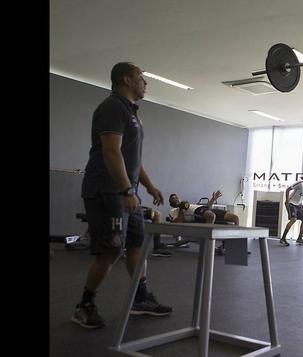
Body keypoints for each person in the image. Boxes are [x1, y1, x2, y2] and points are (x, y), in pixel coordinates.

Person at [72, 62, 172, 329]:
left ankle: (140, 299)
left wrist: (148, 187)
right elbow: (111, 152)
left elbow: (133, 158)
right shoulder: (112, 107)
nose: (145, 83)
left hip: (128, 192)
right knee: (110, 250)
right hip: (107, 190)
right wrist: (126, 189)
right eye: (141, 78)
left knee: (137, 243)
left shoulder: (131, 113)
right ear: (126, 80)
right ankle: (84, 305)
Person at [169, 191, 240, 255]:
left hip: (203, 209)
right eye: (173, 198)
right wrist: (181, 208)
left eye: (176, 197)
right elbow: (179, 222)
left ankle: (234, 245)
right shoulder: (173, 211)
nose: (176, 199)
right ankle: (208, 245)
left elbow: (208, 208)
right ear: (171, 203)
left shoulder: (190, 205)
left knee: (235, 218)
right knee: (211, 216)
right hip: (196, 212)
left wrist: (213, 199)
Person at [279, 170, 303, 246]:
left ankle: (299, 238)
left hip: (298, 204)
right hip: (291, 203)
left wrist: (301, 202)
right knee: (293, 220)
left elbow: (302, 195)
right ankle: (283, 238)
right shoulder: (300, 183)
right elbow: (288, 190)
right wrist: (287, 201)